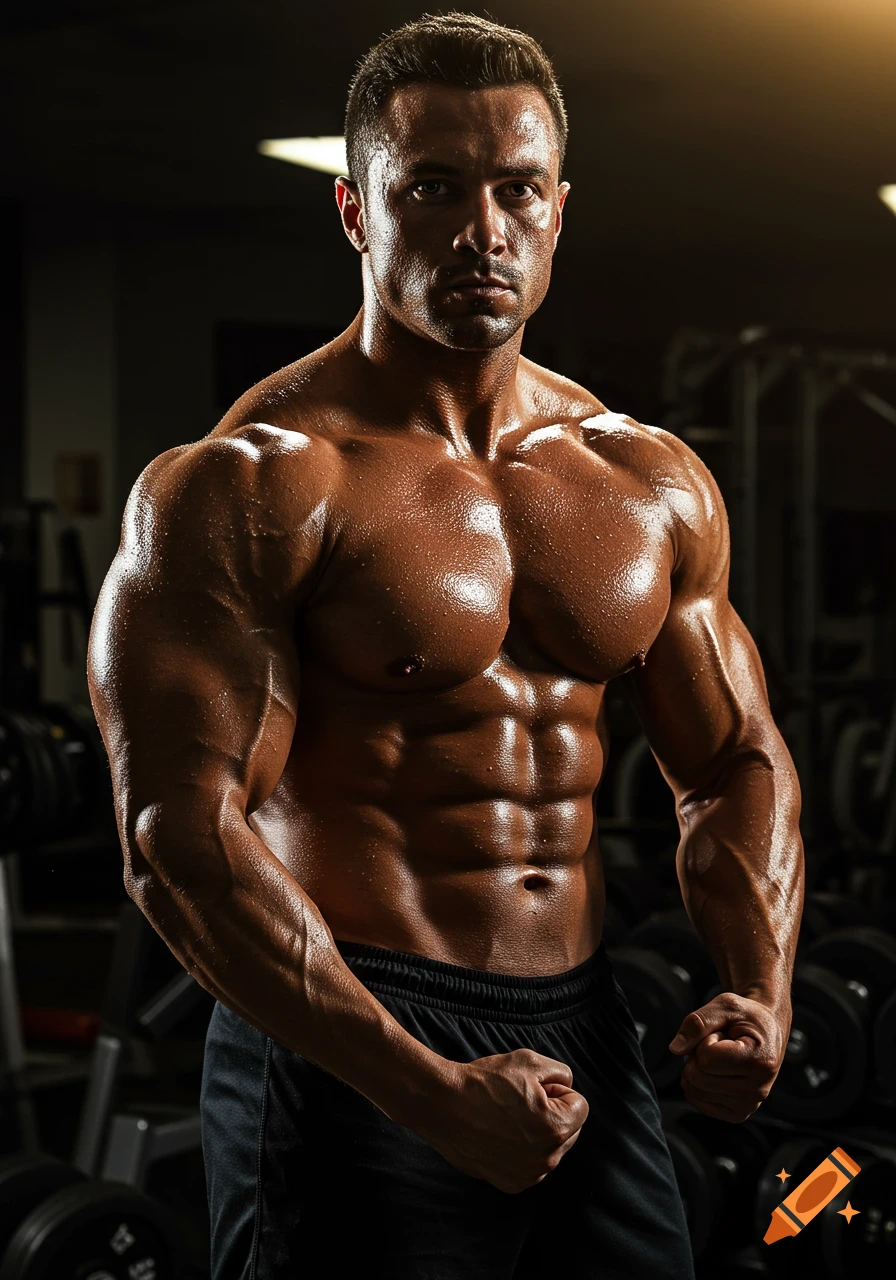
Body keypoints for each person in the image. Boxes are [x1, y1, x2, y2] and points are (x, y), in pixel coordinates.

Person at [87, 11, 803, 1279]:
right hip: (343, 1027)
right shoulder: (251, 484)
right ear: (357, 210)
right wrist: (424, 1089)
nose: (481, 229)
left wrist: (759, 989)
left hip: (582, 1018)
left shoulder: (644, 479)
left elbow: (735, 758)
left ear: (558, 210)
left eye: (516, 189)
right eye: (430, 188)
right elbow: (178, 841)